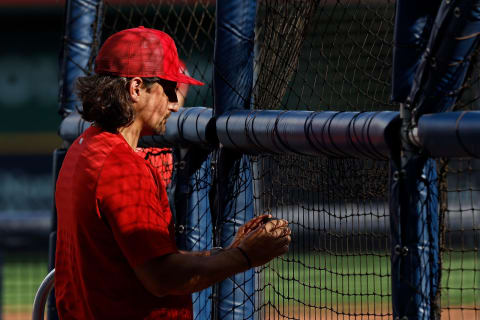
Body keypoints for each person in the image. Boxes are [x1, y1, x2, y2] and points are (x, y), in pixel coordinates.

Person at [54, 26, 291, 320]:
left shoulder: (83, 147)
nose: (174, 103)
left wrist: (230, 250)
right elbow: (162, 277)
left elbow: (145, 261)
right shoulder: (122, 166)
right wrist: (245, 257)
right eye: (167, 88)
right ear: (136, 88)